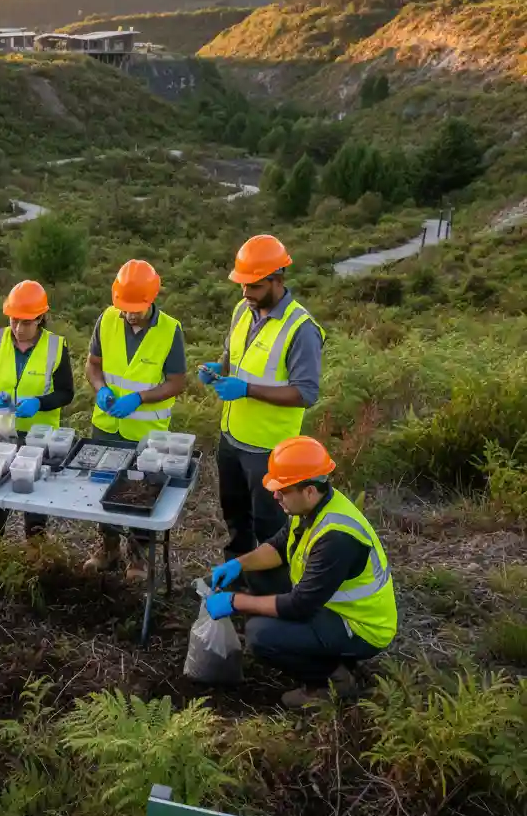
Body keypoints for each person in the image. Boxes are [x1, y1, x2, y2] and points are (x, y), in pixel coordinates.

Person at [203, 437, 396, 709]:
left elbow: (299, 606)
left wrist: (235, 602)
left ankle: (329, 681)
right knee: (255, 574)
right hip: (328, 602)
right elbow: (280, 545)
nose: (275, 496)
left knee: (260, 636)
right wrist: (238, 564)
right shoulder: (312, 504)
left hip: (360, 625)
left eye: (282, 490)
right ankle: (320, 653)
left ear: (307, 490)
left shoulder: (337, 538)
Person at [198, 235, 324, 594]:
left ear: (277, 278)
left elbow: (306, 392)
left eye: (253, 285)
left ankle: (269, 596)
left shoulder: (301, 330)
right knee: (236, 517)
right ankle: (235, 576)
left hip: (270, 451)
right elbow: (233, 357)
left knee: (270, 528)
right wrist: (217, 368)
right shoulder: (243, 311)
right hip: (232, 437)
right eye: (242, 284)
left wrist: (247, 390)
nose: (246, 292)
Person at [84, 259, 186, 580]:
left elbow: (176, 382)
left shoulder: (170, 330)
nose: (129, 314)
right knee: (104, 489)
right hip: (106, 426)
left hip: (147, 432)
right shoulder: (107, 320)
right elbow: (93, 364)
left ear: (152, 299)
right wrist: (100, 388)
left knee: (142, 494)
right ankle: (108, 546)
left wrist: (139, 398)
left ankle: (139, 555)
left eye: (136, 308)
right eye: (124, 308)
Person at [0, 280, 74, 545]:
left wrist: (39, 403)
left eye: (26, 322)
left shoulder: (56, 346)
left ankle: (36, 546)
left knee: (35, 493)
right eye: (14, 321)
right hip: (0, 430)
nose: (18, 329)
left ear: (41, 318)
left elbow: (66, 392)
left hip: (38, 436)